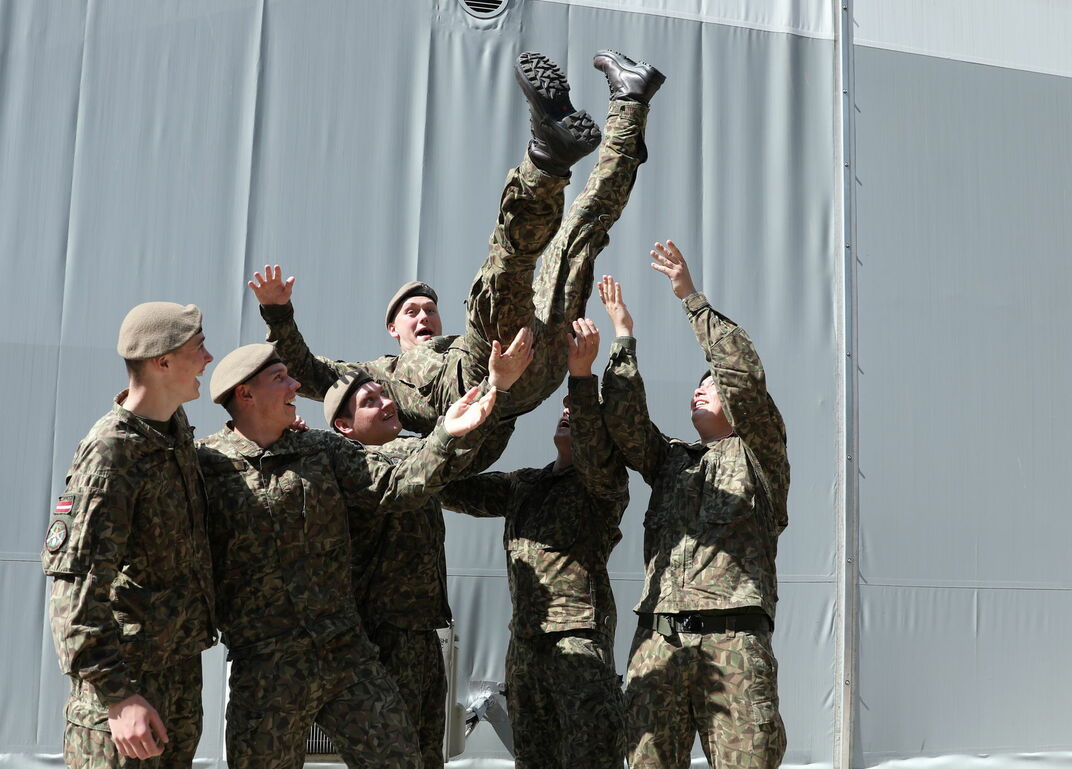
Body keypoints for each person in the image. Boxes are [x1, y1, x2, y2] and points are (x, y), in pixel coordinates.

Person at [258, 48, 663, 435]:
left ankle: (630, 99)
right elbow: (303, 371)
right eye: (412, 312)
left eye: (430, 310)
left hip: (533, 355)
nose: (424, 318)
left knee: (581, 231)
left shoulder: (456, 341)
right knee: (503, 273)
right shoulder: (377, 378)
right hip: (480, 380)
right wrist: (278, 314)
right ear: (391, 328)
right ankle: (547, 158)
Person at [197, 343, 498, 769]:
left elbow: (396, 484)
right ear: (245, 394)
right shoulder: (206, 464)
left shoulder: (322, 450)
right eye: (280, 377)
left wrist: (447, 434)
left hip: (346, 658)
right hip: (267, 666)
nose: (296, 384)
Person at [598, 245, 789, 769]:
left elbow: (743, 376)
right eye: (696, 387)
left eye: (710, 386)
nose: (699, 392)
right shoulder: (672, 462)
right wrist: (622, 339)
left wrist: (689, 297)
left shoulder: (759, 456)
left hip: (734, 640)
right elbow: (626, 424)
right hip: (659, 638)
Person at [319, 327, 535, 768]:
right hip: (377, 639)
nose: (386, 403)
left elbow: (455, 465)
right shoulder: (356, 465)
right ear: (344, 426)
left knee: (424, 757)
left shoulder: (413, 457)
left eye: (384, 394)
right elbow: (437, 460)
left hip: (418, 634)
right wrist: (498, 390)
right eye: (369, 402)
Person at [439, 318, 630, 769]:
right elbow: (447, 487)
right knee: (533, 759)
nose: (568, 412)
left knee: (591, 757)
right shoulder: (526, 485)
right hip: (524, 646)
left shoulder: (603, 486)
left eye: (579, 413)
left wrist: (582, 378)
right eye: (563, 409)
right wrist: (449, 430)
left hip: (577, 640)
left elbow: (595, 451)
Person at [42, 302, 217, 769]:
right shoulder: (111, 451)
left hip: (176, 677)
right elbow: (75, 584)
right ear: (163, 362)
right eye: (198, 348)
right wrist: (117, 697)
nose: (209, 358)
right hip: (124, 692)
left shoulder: (175, 431)